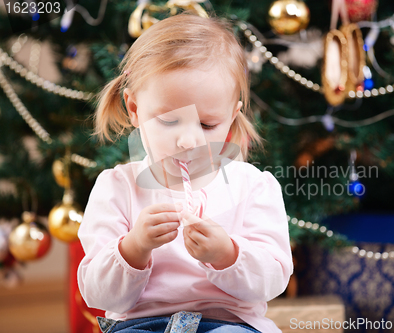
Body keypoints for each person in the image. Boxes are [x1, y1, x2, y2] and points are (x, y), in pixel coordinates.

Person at [77, 13, 293, 333]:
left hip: (229, 323)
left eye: (207, 124)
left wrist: (227, 254)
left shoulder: (253, 187)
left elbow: (272, 281)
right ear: (135, 109)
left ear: (232, 117)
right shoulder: (116, 188)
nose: (189, 141)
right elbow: (97, 293)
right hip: (139, 324)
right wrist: (134, 247)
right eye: (169, 120)